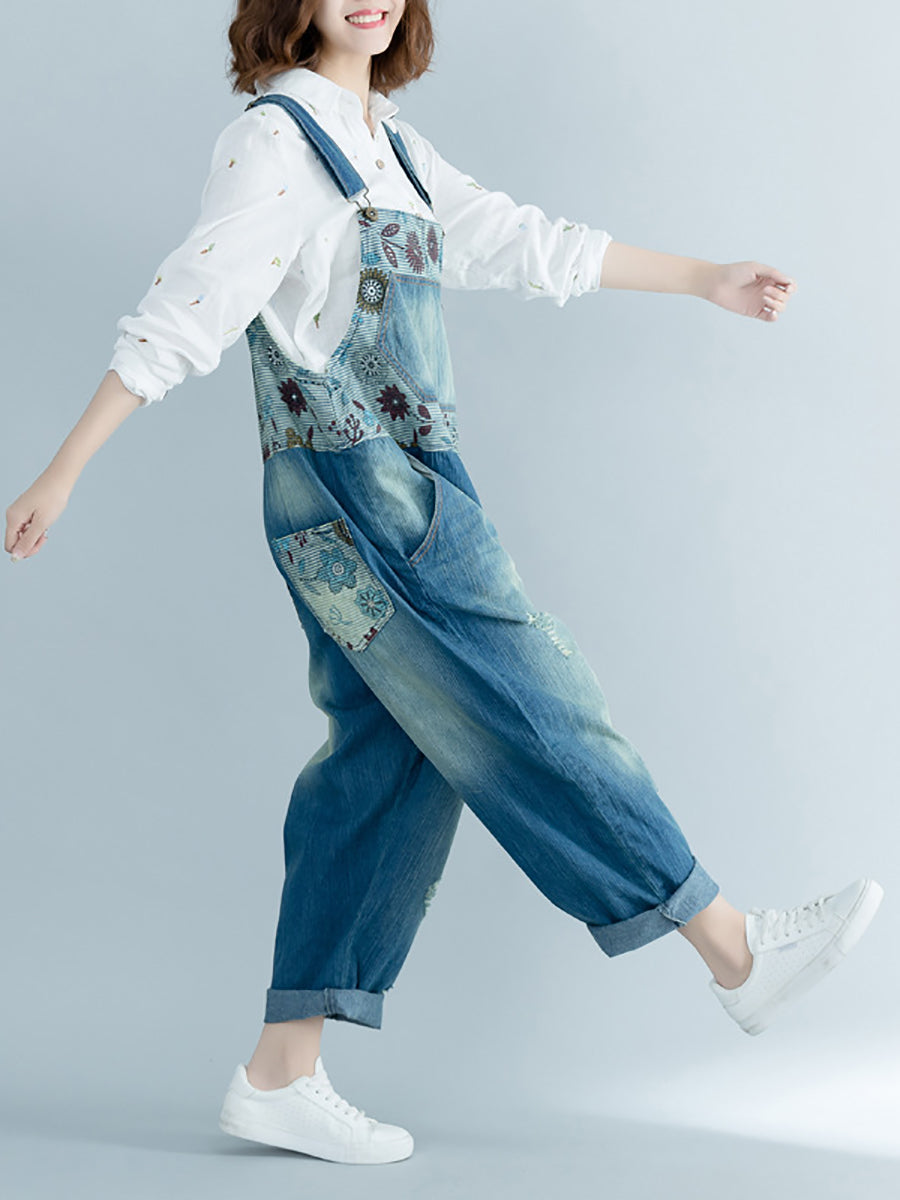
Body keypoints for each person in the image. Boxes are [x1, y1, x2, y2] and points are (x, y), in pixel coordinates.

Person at [5, 0, 884, 1168]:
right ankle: (733, 948)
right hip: (359, 494)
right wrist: (64, 470)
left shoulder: (396, 147)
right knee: (537, 696)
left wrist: (703, 279)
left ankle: (280, 1073)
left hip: (410, 488)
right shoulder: (276, 140)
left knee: (392, 762)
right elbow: (189, 309)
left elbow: (522, 242)